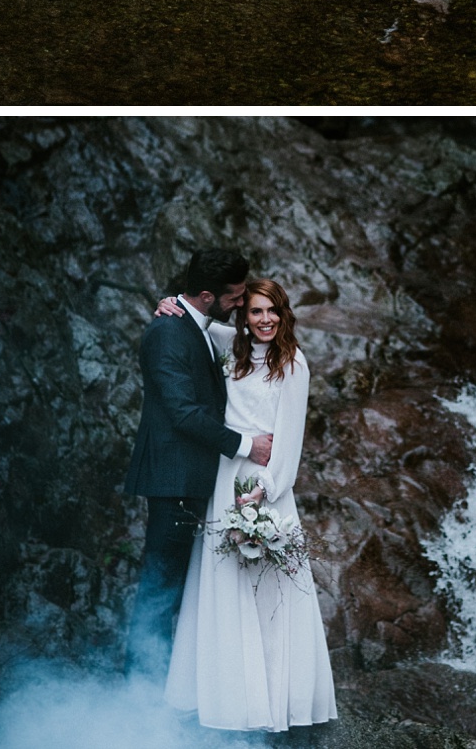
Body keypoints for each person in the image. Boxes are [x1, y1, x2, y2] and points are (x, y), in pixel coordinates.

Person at [164, 277, 336, 732]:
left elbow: (291, 436)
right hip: (225, 477)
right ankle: (227, 696)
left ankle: (275, 701)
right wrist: (167, 303)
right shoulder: (229, 344)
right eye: (256, 311)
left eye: (272, 311)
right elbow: (191, 318)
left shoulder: (293, 362)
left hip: (265, 485)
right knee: (223, 586)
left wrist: (268, 489)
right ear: (245, 315)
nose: (264, 320)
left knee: (269, 591)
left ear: (283, 314)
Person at [124, 246, 273, 680]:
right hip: (174, 482)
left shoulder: (197, 324)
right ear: (208, 296)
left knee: (176, 588)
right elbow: (183, 413)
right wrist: (248, 446)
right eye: (236, 296)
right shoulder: (167, 333)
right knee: (160, 589)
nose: (242, 303)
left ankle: (163, 681)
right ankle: (139, 690)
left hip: (192, 481)